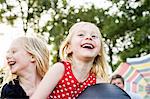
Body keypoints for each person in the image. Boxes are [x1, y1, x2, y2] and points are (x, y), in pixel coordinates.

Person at [31, 21, 110, 99]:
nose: (89, 38)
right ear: (69, 48)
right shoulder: (60, 69)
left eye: (94, 36)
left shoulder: (98, 82)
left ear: (99, 51)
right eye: (81, 35)